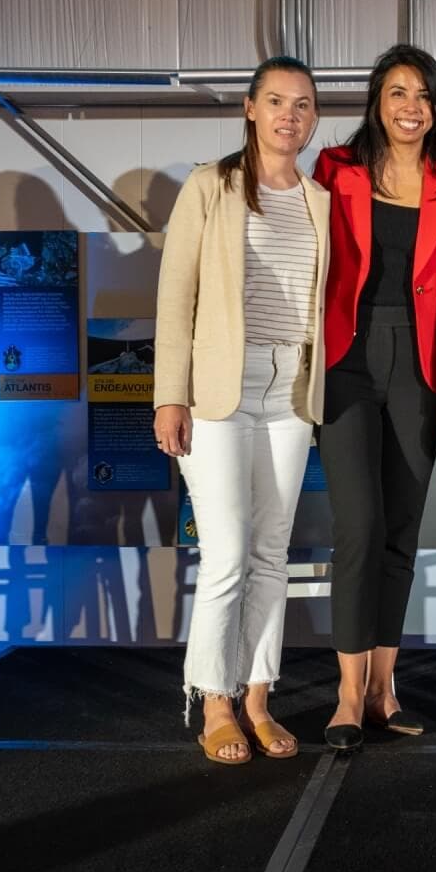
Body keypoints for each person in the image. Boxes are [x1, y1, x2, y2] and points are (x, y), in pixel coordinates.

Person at [153, 56, 330, 765]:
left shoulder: (320, 198)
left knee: (270, 553)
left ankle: (258, 696)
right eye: (278, 101)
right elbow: (175, 297)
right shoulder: (210, 187)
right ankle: (213, 700)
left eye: (305, 104)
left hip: (292, 389)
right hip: (219, 386)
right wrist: (170, 393)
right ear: (251, 109)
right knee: (226, 552)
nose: (291, 115)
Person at [311, 44, 436, 751]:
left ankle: (385, 690)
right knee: (359, 528)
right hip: (346, 359)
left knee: (402, 534)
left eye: (423, 95)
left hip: (424, 366)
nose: (411, 107)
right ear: (376, 100)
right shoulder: (334, 171)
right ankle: (347, 697)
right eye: (397, 92)